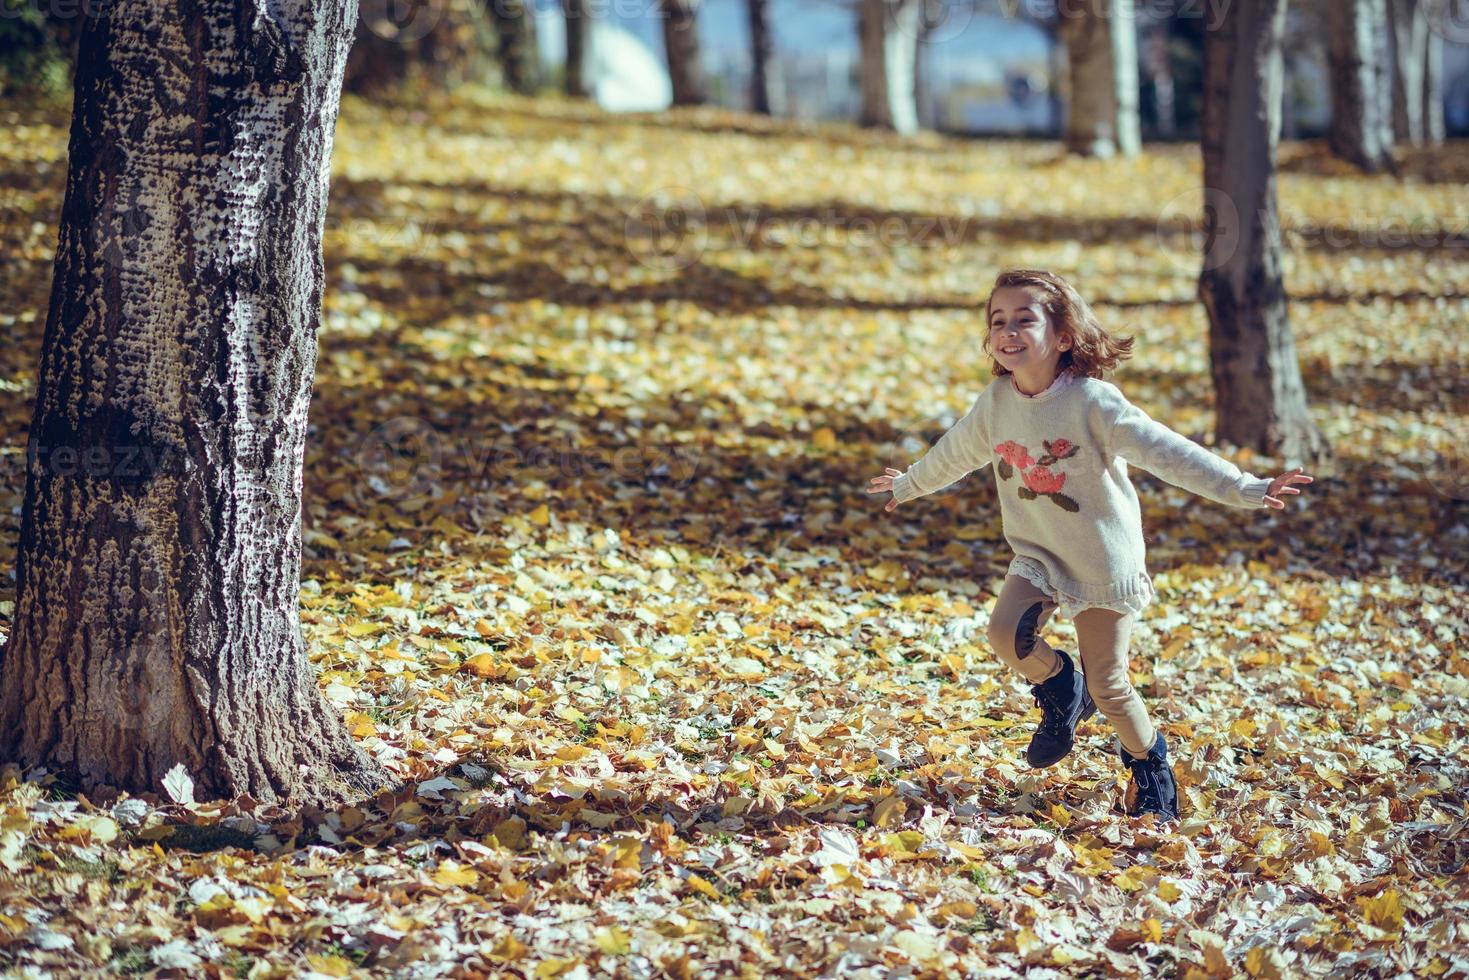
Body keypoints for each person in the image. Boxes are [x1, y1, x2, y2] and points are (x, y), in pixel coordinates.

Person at [866, 269, 1313, 821]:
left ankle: (1149, 761)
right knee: (1005, 634)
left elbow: (1168, 451)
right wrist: (910, 483)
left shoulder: (1093, 403)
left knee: (1110, 686)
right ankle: (1059, 687)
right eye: (998, 320)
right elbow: (956, 451)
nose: (1007, 331)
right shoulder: (996, 401)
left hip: (1102, 559)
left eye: (1024, 319)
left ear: (1063, 337)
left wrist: (1247, 488)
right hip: (1039, 551)